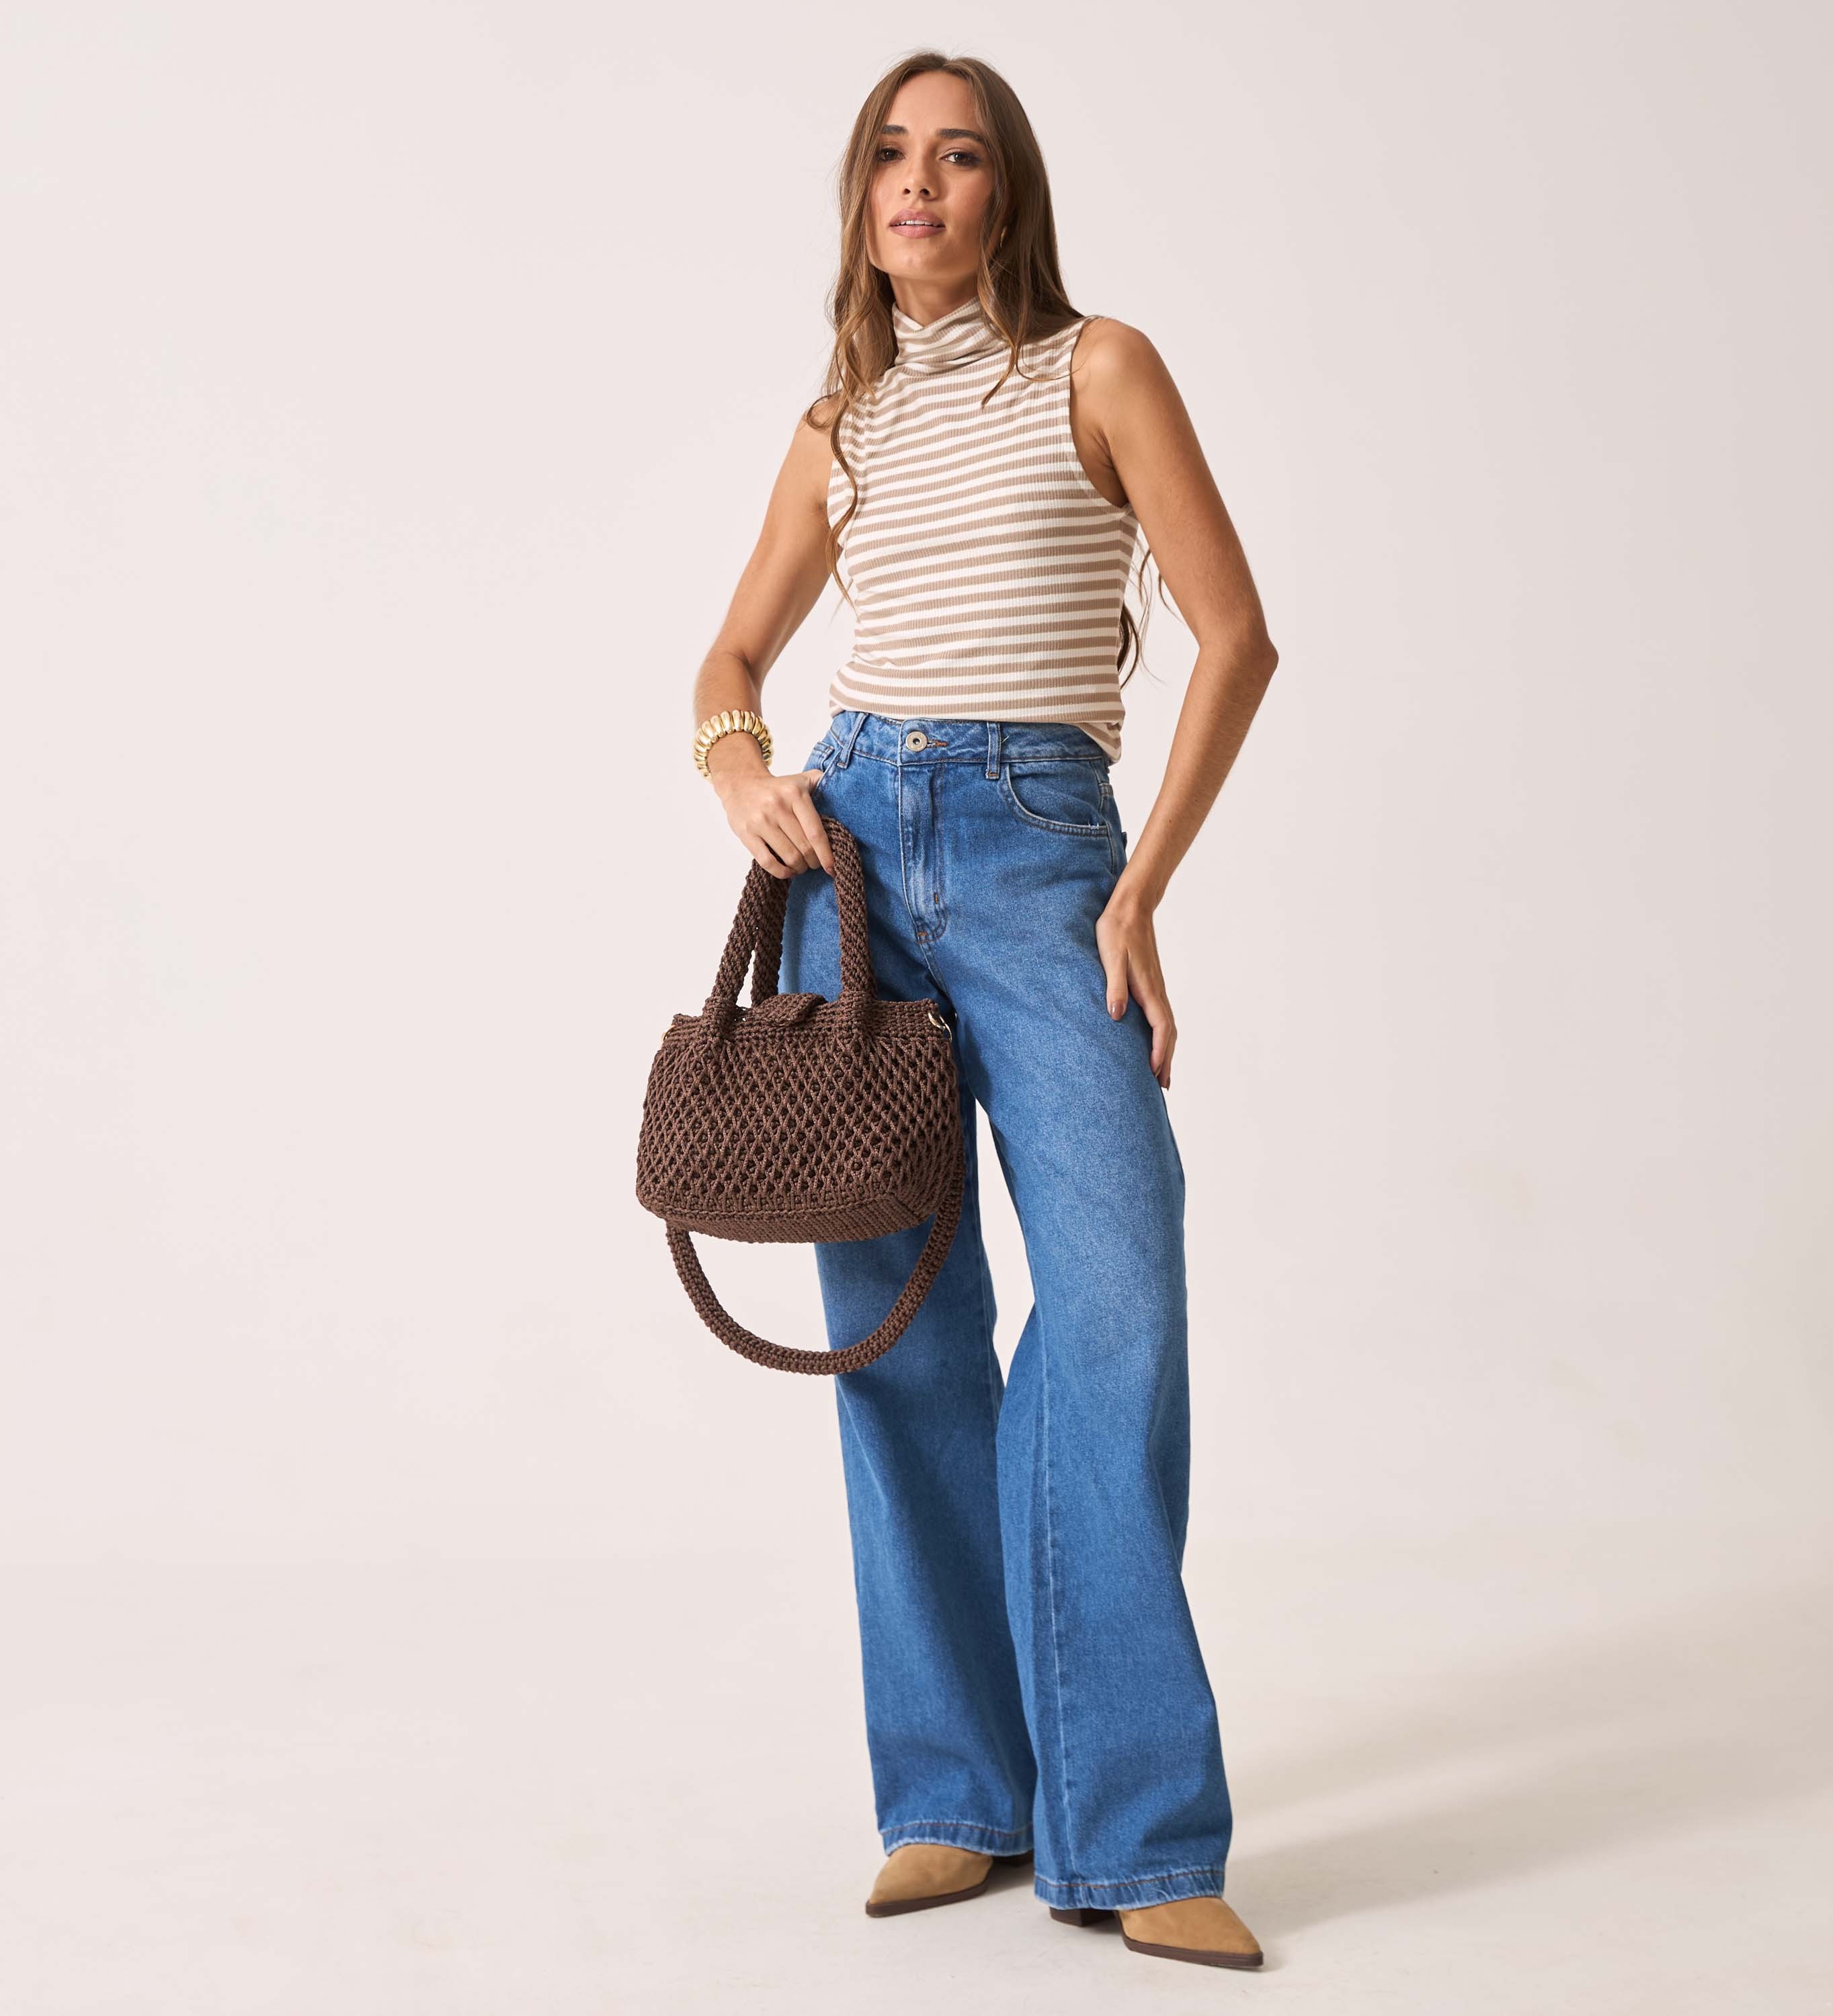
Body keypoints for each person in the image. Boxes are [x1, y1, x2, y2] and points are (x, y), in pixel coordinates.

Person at [686, 50, 1278, 1972]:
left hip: (1041, 852)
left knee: (1115, 1301)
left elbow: (1237, 637)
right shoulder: (839, 421)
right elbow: (733, 652)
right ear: (861, 195)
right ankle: (956, 1796)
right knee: (899, 1327)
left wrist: (1140, 887)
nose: (919, 183)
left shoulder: (1100, 367)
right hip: (852, 862)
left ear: (1006, 194)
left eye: (957, 157)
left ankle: (1138, 1825)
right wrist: (738, 766)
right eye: (891, 154)